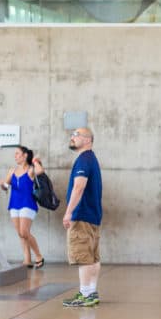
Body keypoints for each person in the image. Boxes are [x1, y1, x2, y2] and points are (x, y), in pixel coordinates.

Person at [61, 127, 103, 307]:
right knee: (92, 257)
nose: (72, 137)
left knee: (83, 257)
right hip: (92, 216)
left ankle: (86, 295)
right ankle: (91, 292)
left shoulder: (84, 160)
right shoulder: (90, 159)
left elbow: (79, 187)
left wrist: (69, 212)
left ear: (87, 140)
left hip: (82, 215)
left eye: (76, 135)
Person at [0, 146, 44, 269]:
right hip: (14, 204)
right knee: (20, 234)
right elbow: (6, 186)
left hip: (28, 203)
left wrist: (35, 161)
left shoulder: (31, 170)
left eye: (17, 153)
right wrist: (2, 185)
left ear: (25, 155)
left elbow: (40, 172)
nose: (15, 156)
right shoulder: (12, 171)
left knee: (24, 232)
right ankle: (27, 260)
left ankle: (39, 256)